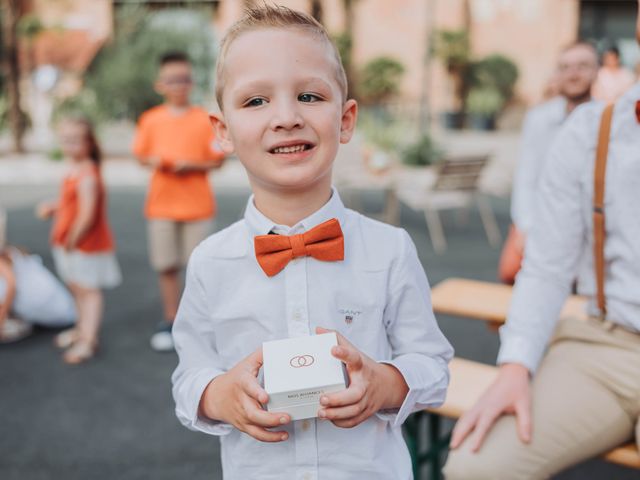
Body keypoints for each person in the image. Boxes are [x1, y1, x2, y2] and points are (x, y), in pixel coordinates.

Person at [171, 6, 453, 479]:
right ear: (223, 132)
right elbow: (188, 375)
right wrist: (218, 395)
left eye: (308, 95)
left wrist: (384, 384)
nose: (286, 117)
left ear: (345, 120)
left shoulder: (390, 249)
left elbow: (432, 366)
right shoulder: (211, 261)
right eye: (256, 101)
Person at [444, 4, 640, 478]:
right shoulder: (592, 130)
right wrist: (515, 365)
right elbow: (548, 266)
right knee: (474, 469)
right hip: (605, 343)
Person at [132, 51, 225, 352]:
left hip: (197, 206)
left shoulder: (203, 119)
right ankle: (171, 319)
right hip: (161, 205)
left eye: (183, 79)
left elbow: (217, 161)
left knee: (200, 268)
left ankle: (199, 323)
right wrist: (156, 161)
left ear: (191, 81)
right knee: (166, 266)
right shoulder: (150, 119)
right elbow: (141, 155)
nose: (178, 85)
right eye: (172, 80)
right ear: (161, 84)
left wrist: (191, 165)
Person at [498, 42, 598, 284]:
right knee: (512, 277)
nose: (573, 74)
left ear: (597, 71)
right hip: (543, 224)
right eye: (565, 67)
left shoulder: (606, 120)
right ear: (557, 73)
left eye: (582, 66)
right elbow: (526, 177)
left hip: (590, 232)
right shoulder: (539, 119)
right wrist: (525, 227)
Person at [37, 116, 121, 364]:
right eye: (65, 140)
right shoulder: (74, 169)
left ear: (88, 143)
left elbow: (86, 214)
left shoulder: (87, 174)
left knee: (88, 290)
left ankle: (88, 339)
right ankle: (81, 328)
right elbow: (70, 203)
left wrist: (72, 240)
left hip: (83, 244)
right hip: (67, 243)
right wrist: (54, 208)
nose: (69, 145)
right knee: (76, 286)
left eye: (76, 140)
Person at [0, 245, 76, 343]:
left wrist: (1, 319)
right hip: (63, 304)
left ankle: (16, 321)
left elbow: (11, 286)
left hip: (51, 309)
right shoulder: (12, 252)